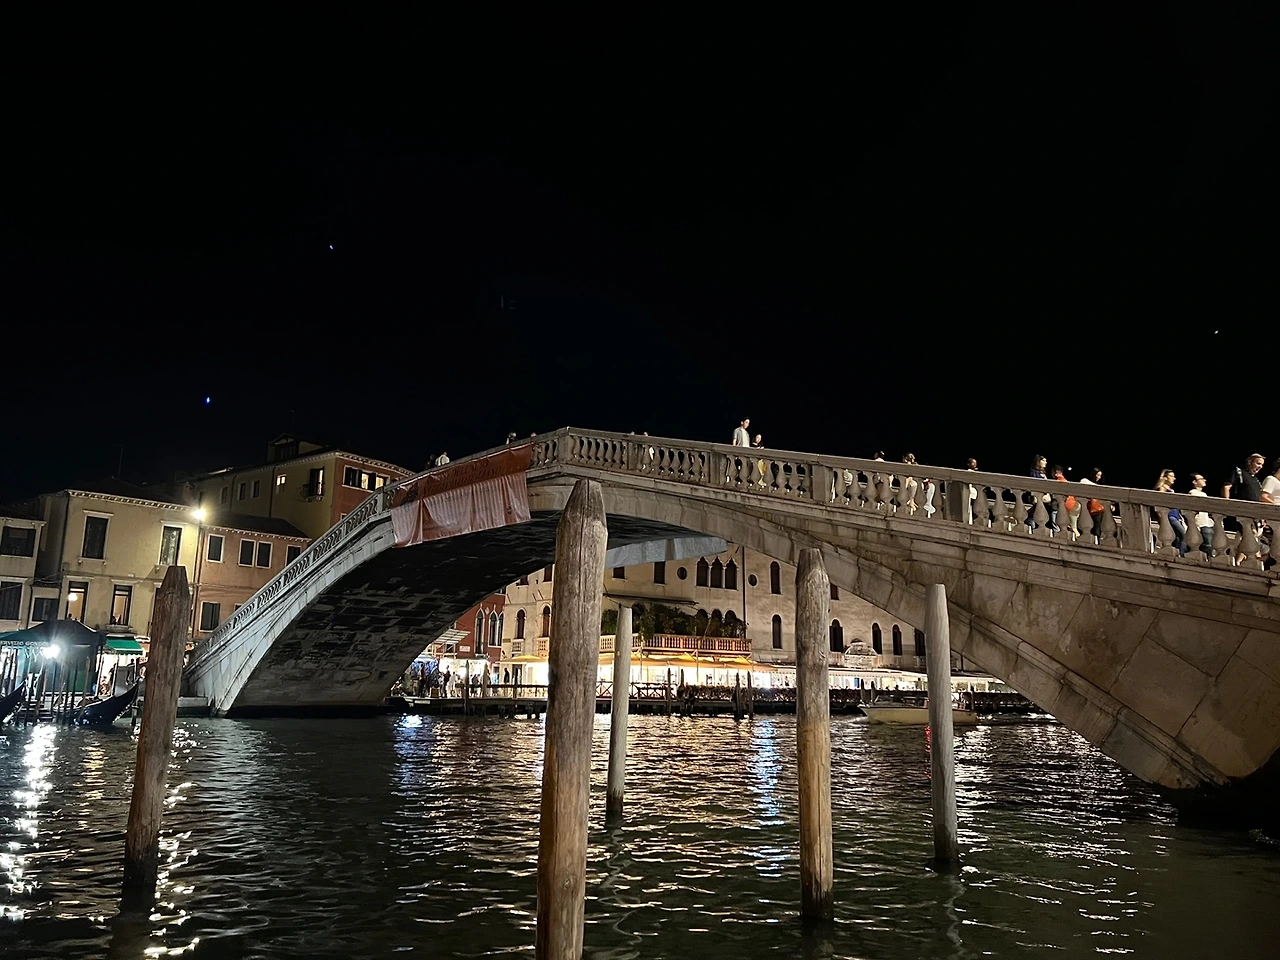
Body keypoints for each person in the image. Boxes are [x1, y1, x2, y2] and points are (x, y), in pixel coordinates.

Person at [1155, 469, 1188, 556]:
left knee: (1177, 537)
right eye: (1171, 476)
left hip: (1176, 516)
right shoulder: (1162, 488)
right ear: (1165, 478)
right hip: (1170, 516)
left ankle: (1177, 552)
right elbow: (1160, 502)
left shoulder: (1171, 489)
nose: (1174, 478)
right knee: (1183, 534)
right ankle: (1181, 554)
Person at [1188, 473, 1215, 557]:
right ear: (1194, 482)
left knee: (1210, 545)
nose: (1204, 480)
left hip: (1207, 523)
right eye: (1201, 479)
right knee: (1207, 545)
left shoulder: (1203, 494)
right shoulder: (1193, 493)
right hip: (1201, 523)